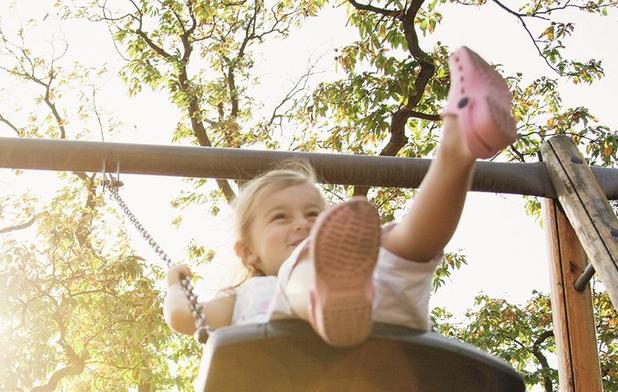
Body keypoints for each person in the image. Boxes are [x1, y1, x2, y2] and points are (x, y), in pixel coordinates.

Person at [163, 46, 517, 347]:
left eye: (315, 214)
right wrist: (174, 285)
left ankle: (457, 145)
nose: (303, 223)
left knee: (403, 248)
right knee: (304, 266)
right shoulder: (242, 299)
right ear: (248, 251)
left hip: (380, 333)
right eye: (280, 217)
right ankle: (322, 298)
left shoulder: (353, 271)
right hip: (291, 364)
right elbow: (184, 318)